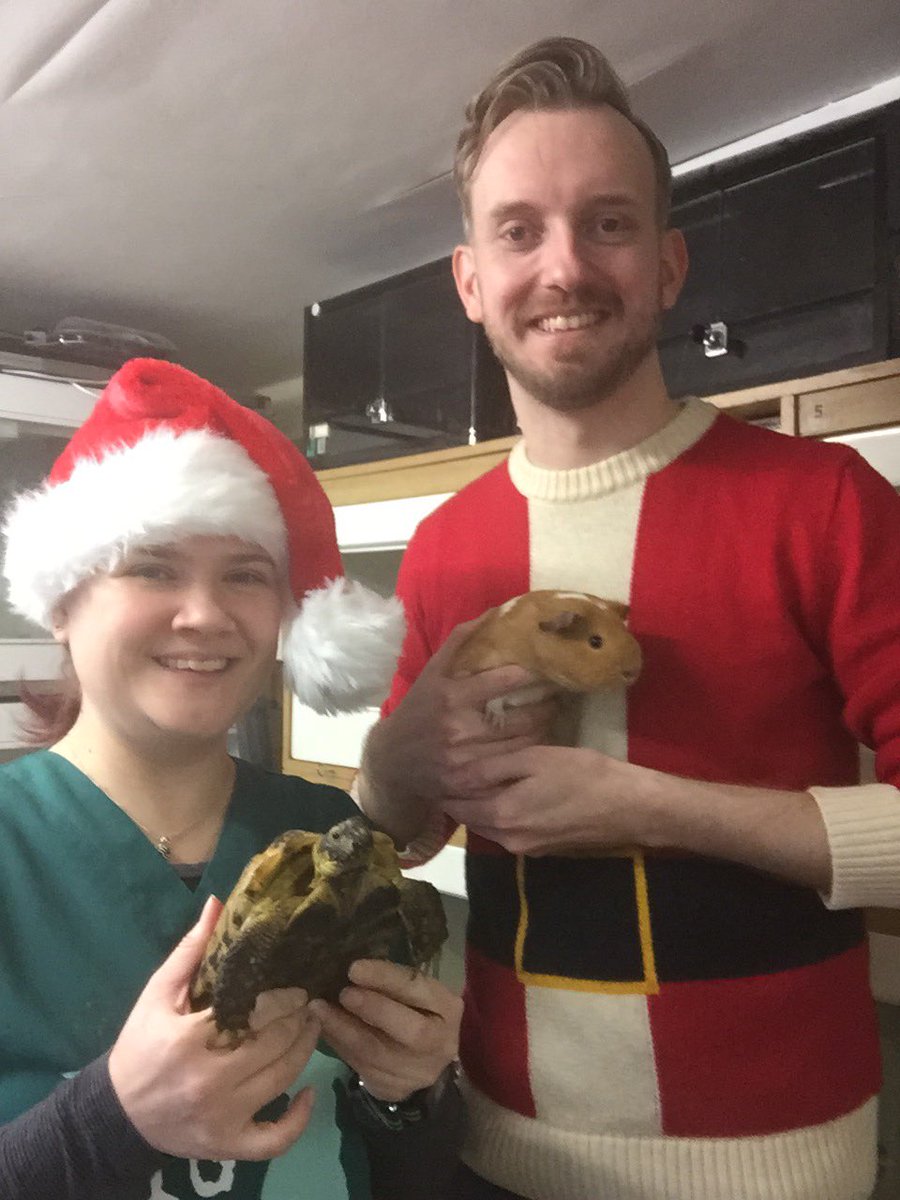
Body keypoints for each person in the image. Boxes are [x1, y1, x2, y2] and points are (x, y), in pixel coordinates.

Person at [354, 35, 900, 1200]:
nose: (563, 267)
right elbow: (400, 831)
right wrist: (389, 759)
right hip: (491, 1149)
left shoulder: (828, 506)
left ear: (666, 263)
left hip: (774, 1169)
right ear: (468, 281)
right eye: (519, 230)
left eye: (607, 223)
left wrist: (650, 807)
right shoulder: (446, 548)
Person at [0, 357, 463, 1200]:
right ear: (63, 602)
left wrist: (411, 1097)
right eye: (153, 567)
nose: (207, 614)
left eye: (246, 575)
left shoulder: (332, 839)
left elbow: (400, 1174)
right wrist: (113, 1116)